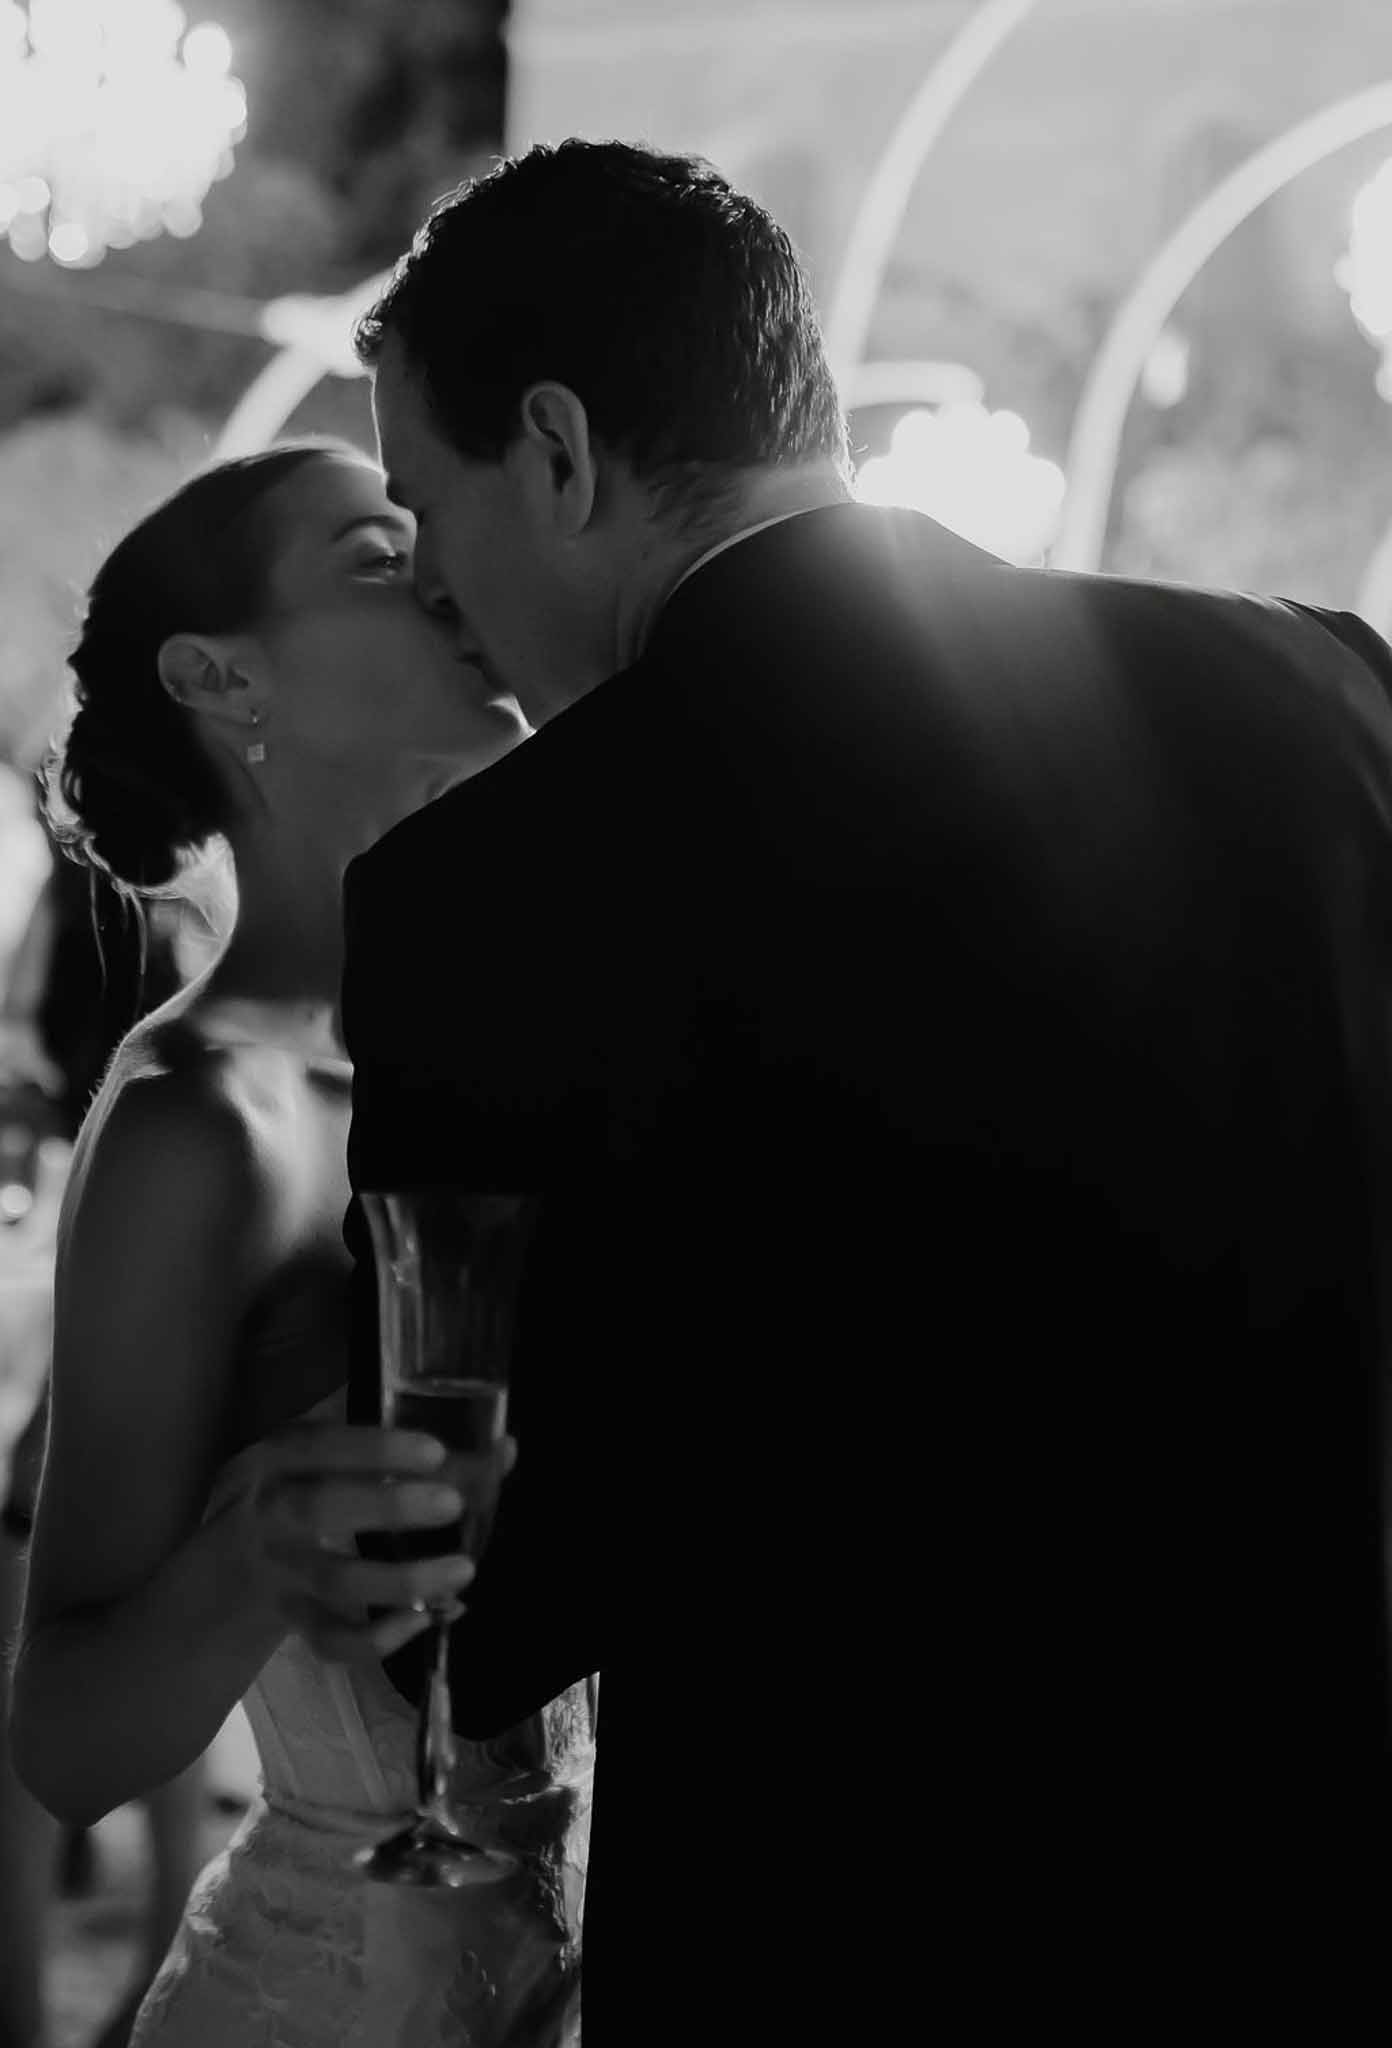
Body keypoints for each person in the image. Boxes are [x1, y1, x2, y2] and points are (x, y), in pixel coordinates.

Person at [340, 138, 1392, 2036]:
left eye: (430, 514)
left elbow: (490, 1570)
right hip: (1324, 1886)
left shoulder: (487, 894)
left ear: (561, 455)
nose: (438, 596)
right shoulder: (1325, 700)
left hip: (856, 1927)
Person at [9, 438, 593, 2047]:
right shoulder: (201, 1119)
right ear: (221, 678)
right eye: (370, 555)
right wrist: (256, 1550)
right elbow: (65, 1740)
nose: (443, 580)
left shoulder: (513, 1040)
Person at [0, 835, 205, 2048]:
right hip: (116, 1280)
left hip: (82, 1279)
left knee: (37, 1622)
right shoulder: (187, 930)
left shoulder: (112, 921)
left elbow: (28, 1063)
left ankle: (25, 1996)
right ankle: (146, 1930)